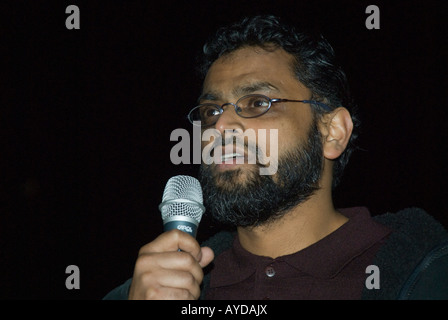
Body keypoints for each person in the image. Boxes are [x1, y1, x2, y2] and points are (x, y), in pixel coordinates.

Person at [104, 15, 448, 300]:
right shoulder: (149, 291)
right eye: (210, 111)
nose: (220, 126)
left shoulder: (427, 274)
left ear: (332, 133)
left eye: (257, 103)